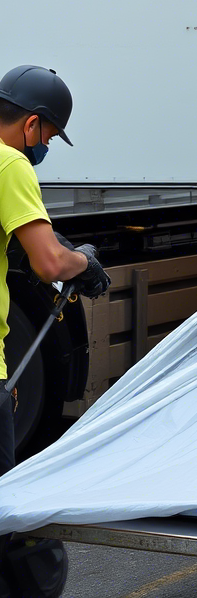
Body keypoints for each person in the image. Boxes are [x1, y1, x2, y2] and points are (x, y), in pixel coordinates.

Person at [0, 65, 110, 482]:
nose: (44, 146)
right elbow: (50, 265)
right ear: (31, 123)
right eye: (46, 136)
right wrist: (83, 261)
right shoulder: (10, 163)